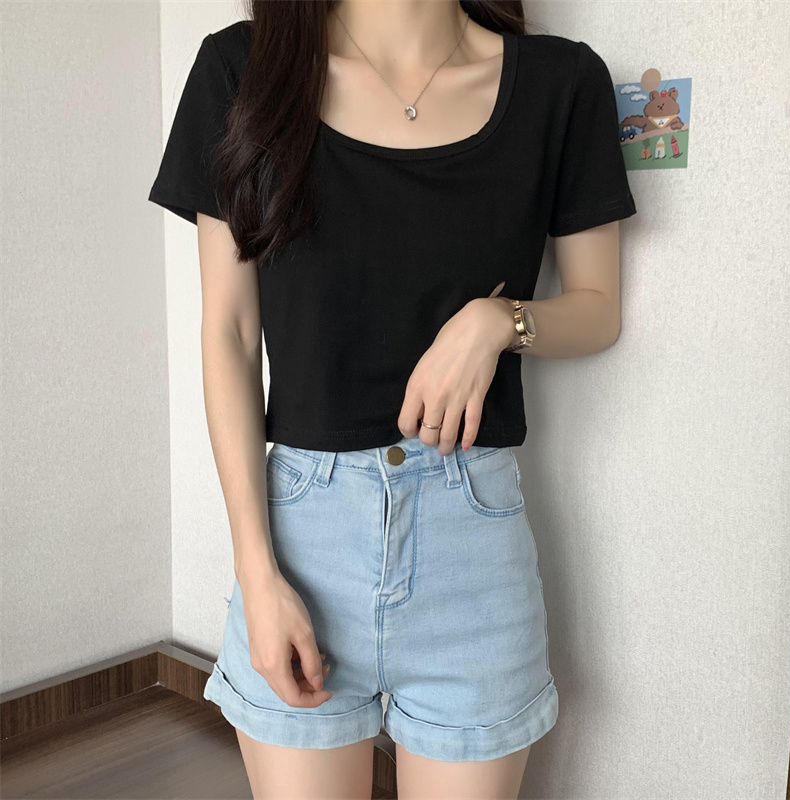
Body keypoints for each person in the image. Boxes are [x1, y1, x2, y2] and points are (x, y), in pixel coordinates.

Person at [148, 1, 636, 797]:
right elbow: (229, 335)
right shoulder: (243, 71)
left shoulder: (562, 83)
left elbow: (598, 307)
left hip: (471, 547)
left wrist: (497, 323)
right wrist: (256, 572)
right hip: (301, 540)